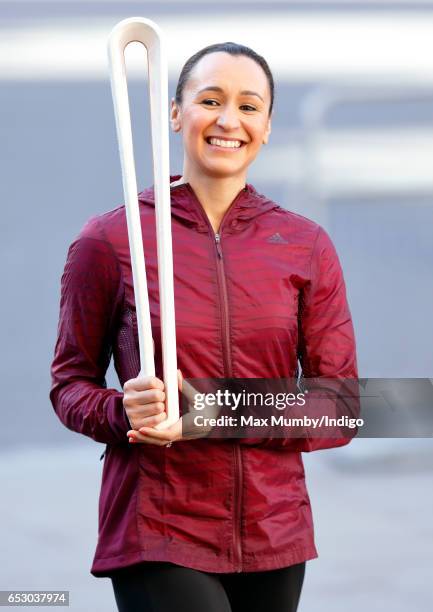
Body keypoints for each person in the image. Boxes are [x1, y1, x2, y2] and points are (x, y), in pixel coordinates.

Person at [49, 41, 358, 612]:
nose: (227, 120)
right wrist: (122, 412)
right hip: (159, 524)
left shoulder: (304, 244)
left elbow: (340, 404)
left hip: (274, 531)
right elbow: (69, 385)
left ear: (266, 127)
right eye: (209, 99)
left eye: (248, 106)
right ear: (174, 113)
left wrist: (211, 413)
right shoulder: (111, 240)